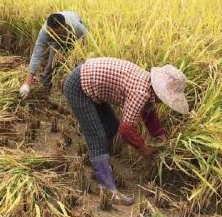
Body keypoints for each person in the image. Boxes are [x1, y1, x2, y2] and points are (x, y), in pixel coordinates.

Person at [63, 57, 189, 205]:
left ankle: (98, 165)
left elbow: (147, 112)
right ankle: (108, 190)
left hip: (90, 84)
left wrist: (159, 133)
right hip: (78, 87)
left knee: (111, 126)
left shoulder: (147, 85)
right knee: (97, 137)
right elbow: (126, 129)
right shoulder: (141, 91)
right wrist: (144, 149)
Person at [19, 11, 87, 98]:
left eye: (57, 32)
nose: (54, 34)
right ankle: (45, 91)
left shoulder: (76, 26)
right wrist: (27, 84)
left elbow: (85, 40)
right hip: (57, 41)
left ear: (64, 26)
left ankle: (77, 94)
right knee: (51, 65)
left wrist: (75, 55)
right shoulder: (45, 32)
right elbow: (36, 55)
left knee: (78, 67)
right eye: (52, 33)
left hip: (76, 40)